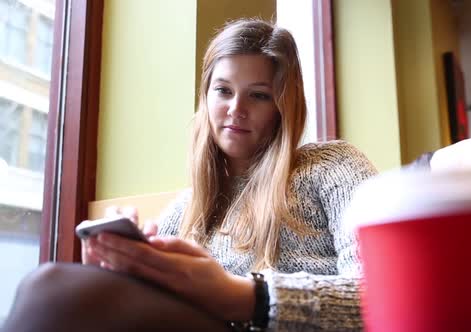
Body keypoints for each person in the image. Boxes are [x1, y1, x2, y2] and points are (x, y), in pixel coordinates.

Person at [2, 19, 377, 332]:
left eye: (259, 95)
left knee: (47, 288)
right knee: (58, 289)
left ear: (284, 105)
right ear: (206, 97)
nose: (236, 109)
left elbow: (384, 294)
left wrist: (243, 296)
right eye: (223, 91)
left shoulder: (332, 166)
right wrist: (118, 266)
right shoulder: (184, 210)